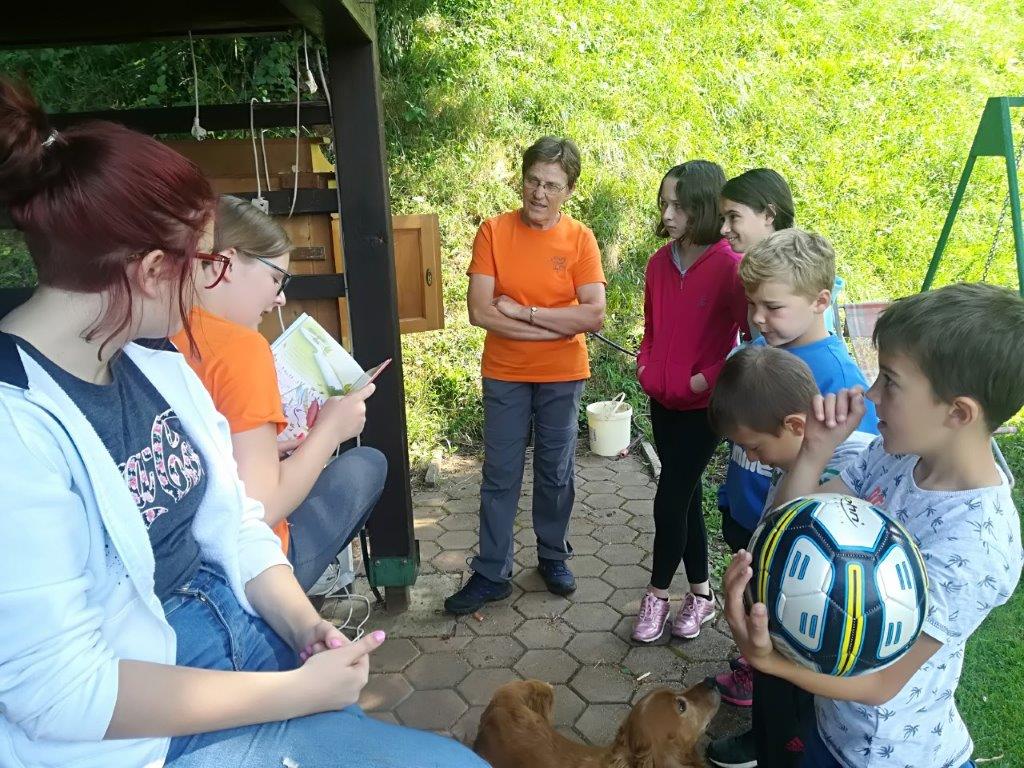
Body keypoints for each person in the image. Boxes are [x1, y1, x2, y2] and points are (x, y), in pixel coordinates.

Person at [0, 78, 486, 768]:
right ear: (150, 270)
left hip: (243, 634)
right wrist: (294, 692)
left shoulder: (154, 362)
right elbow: (61, 694)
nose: (211, 279)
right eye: (205, 261)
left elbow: (233, 522)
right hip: (150, 730)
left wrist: (304, 623)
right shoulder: (15, 430)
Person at [722, 282, 1024, 768]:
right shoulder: (893, 456)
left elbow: (882, 684)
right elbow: (786, 530)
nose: (870, 392)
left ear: (958, 412)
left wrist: (767, 661)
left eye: (890, 381)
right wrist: (814, 451)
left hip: (886, 754)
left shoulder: (976, 544)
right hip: (831, 724)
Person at [708, 229, 879, 768]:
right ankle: (764, 734)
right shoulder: (764, 352)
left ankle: (781, 742)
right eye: (752, 305)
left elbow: (858, 487)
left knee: (792, 678)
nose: (758, 319)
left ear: (821, 301)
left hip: (808, 567)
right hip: (757, 522)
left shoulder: (841, 382)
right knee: (767, 655)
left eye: (773, 307)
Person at [172, 195, 386, 597]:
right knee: (368, 463)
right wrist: (330, 431)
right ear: (225, 263)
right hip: (247, 573)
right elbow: (261, 508)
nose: (280, 298)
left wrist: (269, 450)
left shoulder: (155, 335)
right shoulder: (241, 349)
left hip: (176, 563)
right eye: (276, 278)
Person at [445, 136, 607, 615]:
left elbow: (594, 314)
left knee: (556, 471)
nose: (539, 193)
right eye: (533, 180)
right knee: (500, 473)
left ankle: (553, 556)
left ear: (569, 191)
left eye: (552, 185)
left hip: (563, 375)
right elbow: (480, 311)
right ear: (522, 180)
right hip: (505, 372)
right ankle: (491, 571)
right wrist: (556, 325)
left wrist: (524, 313)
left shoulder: (580, 239)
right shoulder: (494, 232)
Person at [630, 160, 747, 644]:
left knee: (671, 495)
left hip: (704, 409)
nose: (668, 214)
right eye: (664, 203)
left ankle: (657, 594)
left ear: (704, 207)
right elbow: (651, 328)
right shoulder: (659, 263)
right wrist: (644, 365)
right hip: (661, 399)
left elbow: (748, 340)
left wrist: (705, 380)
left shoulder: (731, 266)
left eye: (679, 205)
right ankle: (701, 594)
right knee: (688, 495)